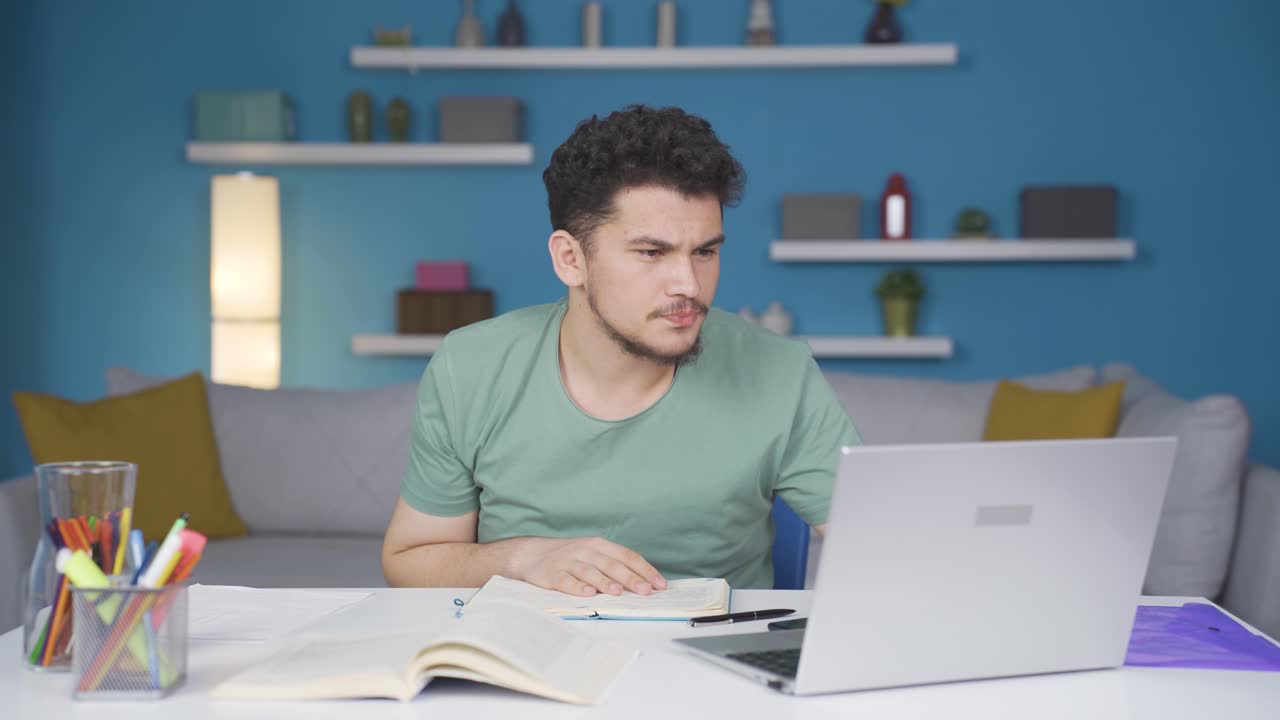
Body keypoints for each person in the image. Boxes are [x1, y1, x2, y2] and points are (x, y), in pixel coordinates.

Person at [382, 105, 860, 597]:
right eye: (652, 253)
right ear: (571, 259)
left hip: (715, 661)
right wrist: (524, 558)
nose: (689, 284)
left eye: (705, 251)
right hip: (527, 654)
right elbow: (411, 560)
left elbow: (884, 548)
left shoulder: (781, 372)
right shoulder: (471, 367)